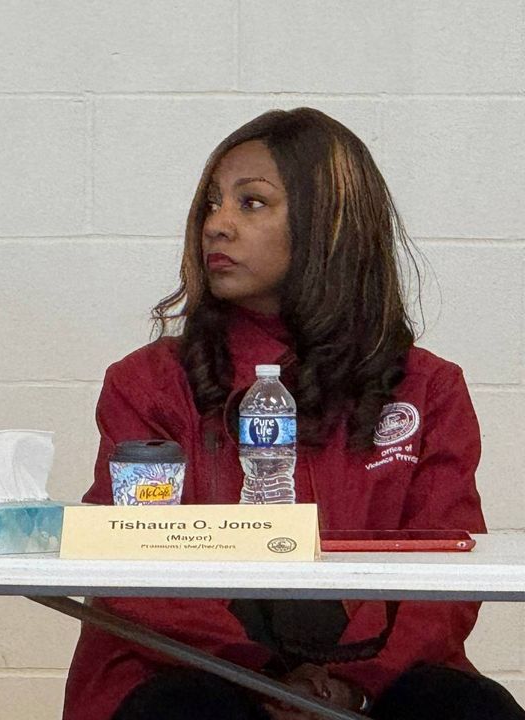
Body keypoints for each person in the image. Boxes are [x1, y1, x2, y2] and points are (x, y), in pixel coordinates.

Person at [63, 108, 524, 720]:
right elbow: (132, 571)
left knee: (470, 710)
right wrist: (265, 678)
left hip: (376, 679)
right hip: (190, 672)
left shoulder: (428, 387)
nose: (216, 225)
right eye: (211, 204)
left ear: (329, 224)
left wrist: (352, 684)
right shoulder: (147, 382)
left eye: (251, 203)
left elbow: (447, 582)